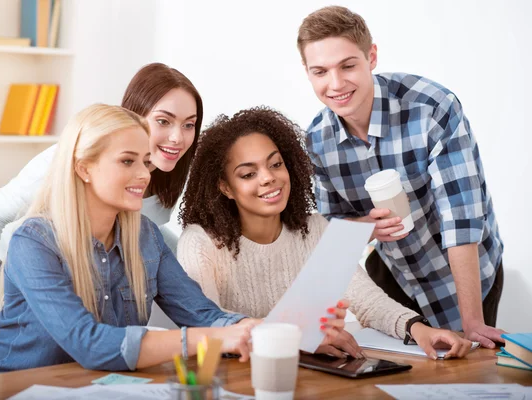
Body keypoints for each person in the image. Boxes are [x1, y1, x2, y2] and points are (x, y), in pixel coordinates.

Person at [0, 104, 267, 377]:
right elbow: (88, 343)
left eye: (145, 161)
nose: (143, 175)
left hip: (91, 388)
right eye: (126, 161)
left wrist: (254, 330)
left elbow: (203, 315)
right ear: (84, 168)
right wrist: (205, 339)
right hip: (3, 387)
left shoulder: (146, 237)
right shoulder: (34, 242)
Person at [177, 107, 473, 360]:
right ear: (225, 187)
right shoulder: (200, 244)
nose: (269, 178)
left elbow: (367, 301)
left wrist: (419, 330)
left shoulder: (315, 229)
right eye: (248, 174)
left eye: (275, 164)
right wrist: (300, 338)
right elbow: (207, 331)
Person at [0, 63, 202, 341]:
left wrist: (193, 252)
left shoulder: (167, 174)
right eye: (164, 121)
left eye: (189, 125)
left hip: (77, 265)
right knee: (3, 354)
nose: (178, 137)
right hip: (13, 263)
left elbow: (148, 231)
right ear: (134, 115)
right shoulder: (74, 157)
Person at [298, 6, 505, 348]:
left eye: (348, 66)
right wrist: (366, 227)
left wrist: (472, 321)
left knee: (464, 370)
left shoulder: (431, 106)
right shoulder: (318, 141)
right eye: (320, 71)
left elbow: (462, 220)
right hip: (396, 276)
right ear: (307, 72)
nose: (335, 84)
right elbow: (332, 230)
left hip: (468, 276)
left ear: (372, 56)